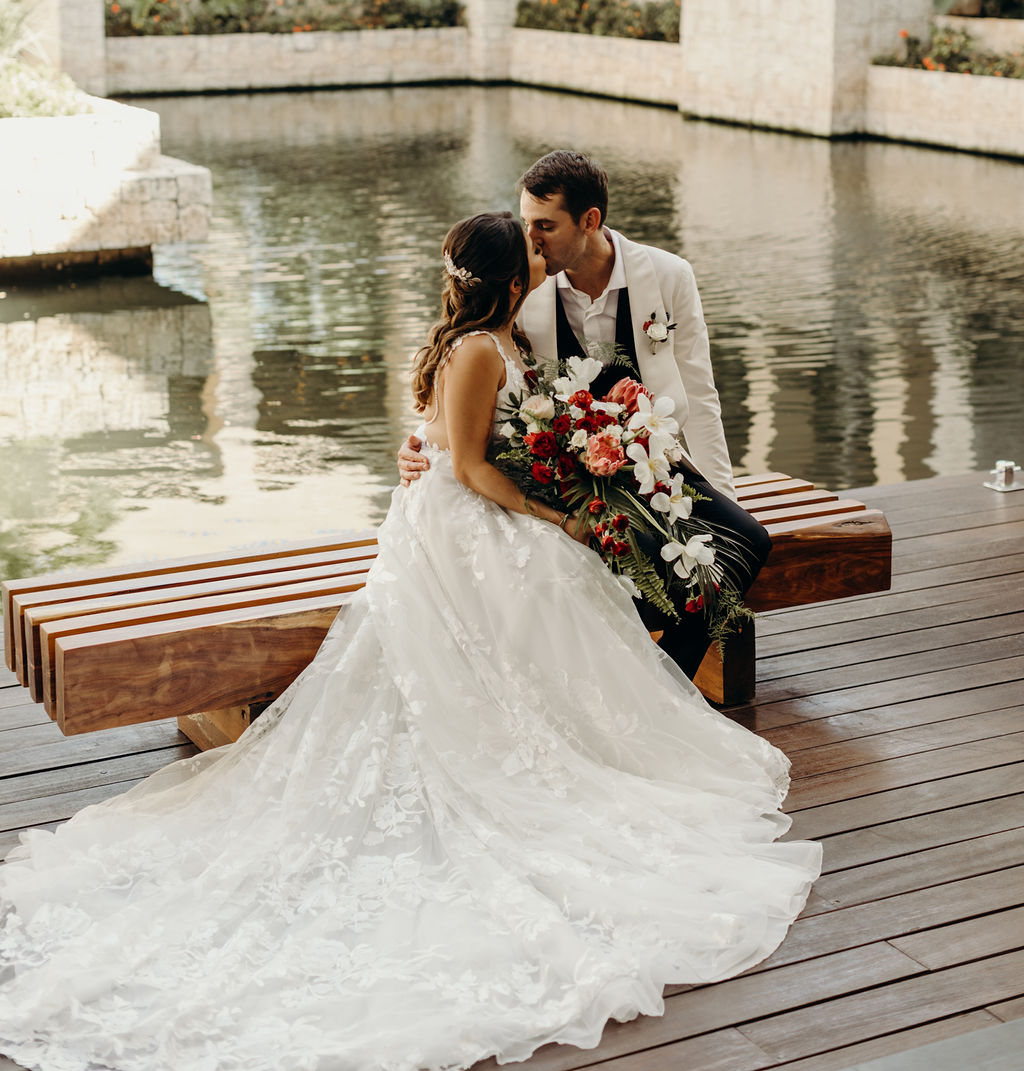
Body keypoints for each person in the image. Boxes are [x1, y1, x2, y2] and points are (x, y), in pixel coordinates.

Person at [0, 212, 820, 1071]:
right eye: (531, 253)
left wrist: (562, 475)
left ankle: (569, 719)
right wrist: (550, 514)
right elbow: (466, 464)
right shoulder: (475, 350)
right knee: (548, 572)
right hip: (459, 520)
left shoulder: (500, 337)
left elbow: (481, 437)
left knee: (559, 579)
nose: (542, 258)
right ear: (510, 282)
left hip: (476, 501)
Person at [400, 151, 771, 679]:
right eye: (527, 223)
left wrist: (718, 496)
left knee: (749, 542)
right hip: (572, 480)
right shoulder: (522, 286)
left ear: (590, 221)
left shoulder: (668, 276)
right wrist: (416, 445)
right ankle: (641, 685)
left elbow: (701, 395)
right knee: (660, 576)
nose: (531, 238)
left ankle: (662, 681)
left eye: (545, 226)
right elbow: (459, 366)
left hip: (656, 461)